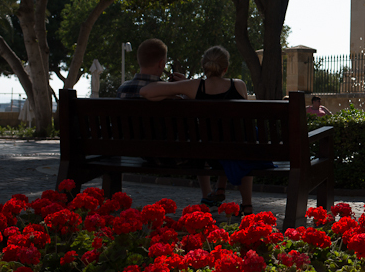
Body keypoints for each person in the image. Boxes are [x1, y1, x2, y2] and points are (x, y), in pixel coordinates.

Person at [141, 45, 275, 216]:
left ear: (204, 66)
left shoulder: (194, 86)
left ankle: (218, 190)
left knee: (224, 141)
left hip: (207, 157)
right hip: (239, 153)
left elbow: (146, 92)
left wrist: (181, 86)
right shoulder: (239, 85)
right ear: (225, 68)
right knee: (243, 139)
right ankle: (246, 205)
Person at [116, 39, 228, 207]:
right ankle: (209, 193)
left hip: (141, 153)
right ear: (162, 63)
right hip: (174, 156)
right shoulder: (170, 94)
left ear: (139, 60)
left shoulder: (122, 90)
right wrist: (184, 87)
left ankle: (208, 193)